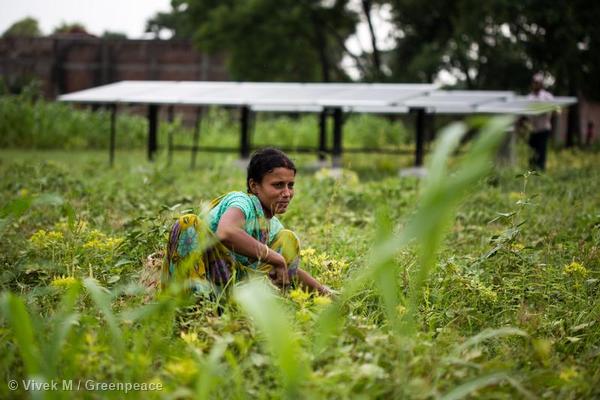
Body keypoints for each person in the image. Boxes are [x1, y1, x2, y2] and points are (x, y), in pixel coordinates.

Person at [161, 147, 332, 297]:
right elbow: (227, 232)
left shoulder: (272, 225)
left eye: (290, 185)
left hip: (232, 288)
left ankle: (256, 307)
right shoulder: (242, 202)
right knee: (188, 222)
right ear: (254, 186)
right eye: (278, 185)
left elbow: (289, 270)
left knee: (288, 239)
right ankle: (188, 306)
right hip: (202, 278)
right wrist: (276, 259)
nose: (287, 193)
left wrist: (325, 293)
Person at [527, 73, 554, 170]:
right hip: (533, 129)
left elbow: (552, 108)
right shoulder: (529, 97)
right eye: (534, 82)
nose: (535, 84)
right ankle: (531, 169)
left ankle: (541, 169)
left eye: (537, 83)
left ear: (541, 84)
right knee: (532, 150)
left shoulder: (547, 96)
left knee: (541, 150)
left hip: (543, 128)